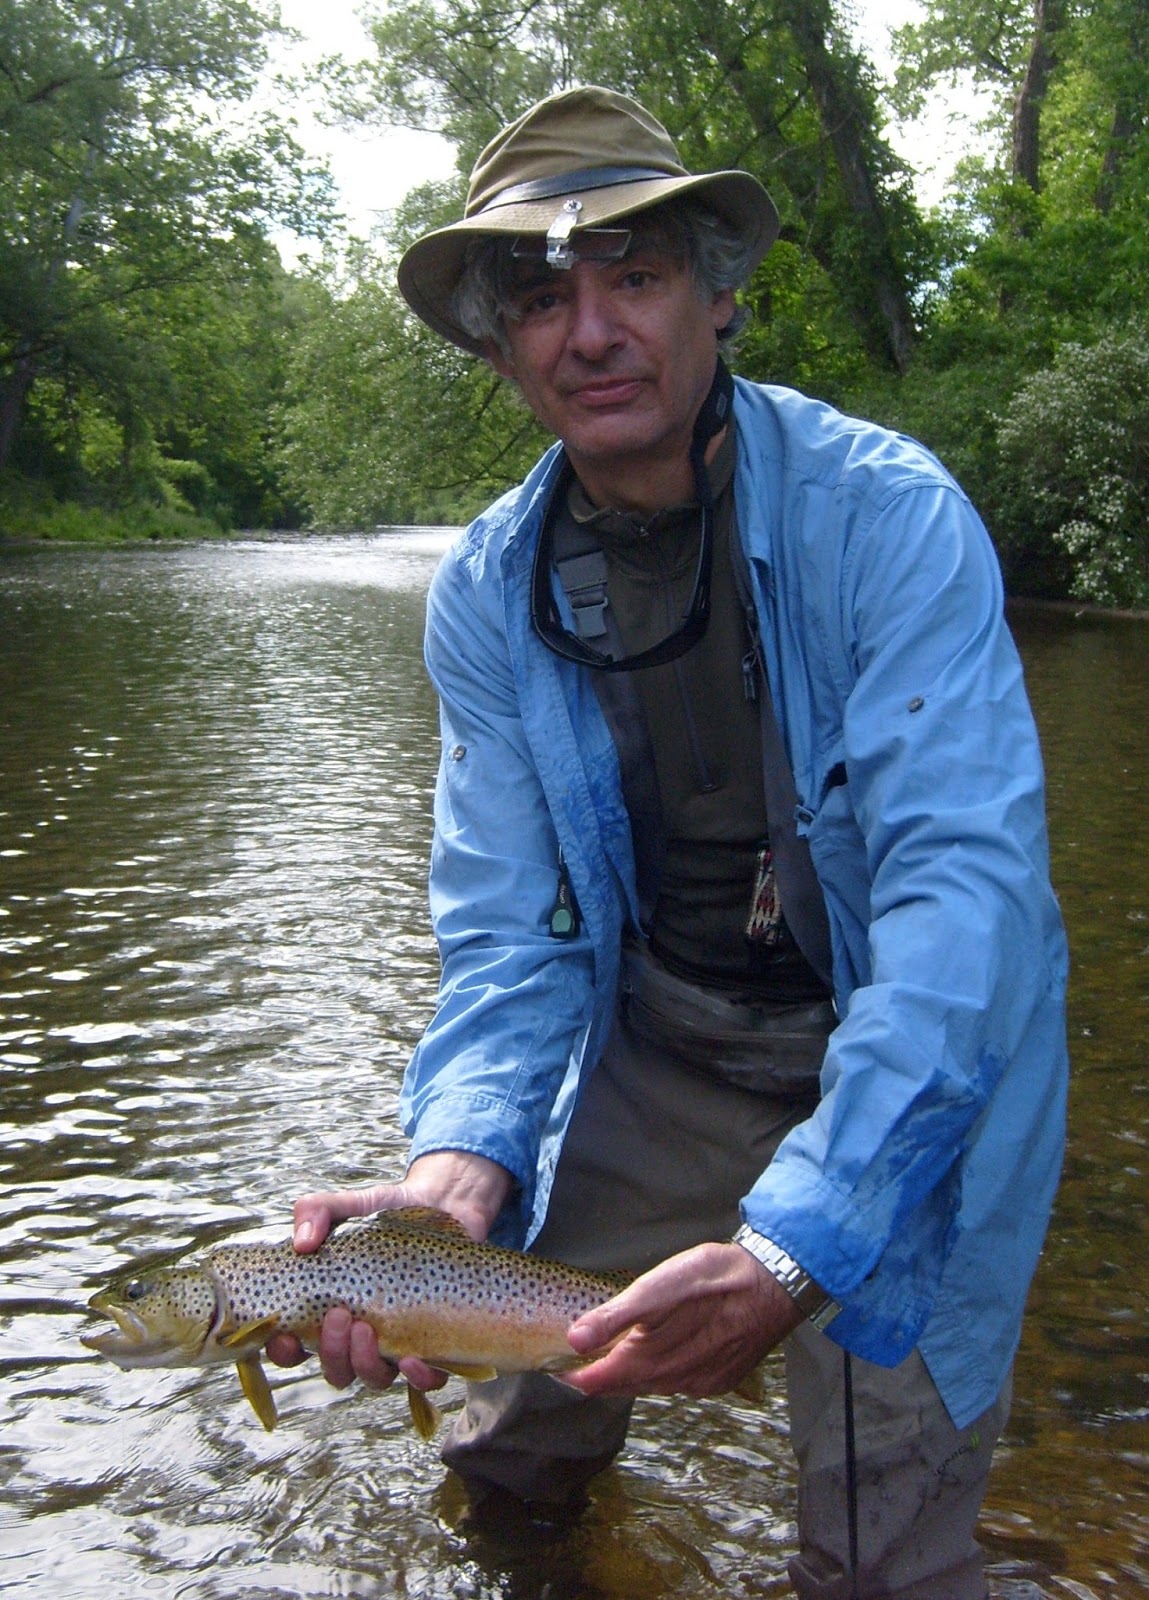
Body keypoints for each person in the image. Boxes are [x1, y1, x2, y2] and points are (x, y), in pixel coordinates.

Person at [268, 86, 1069, 1597]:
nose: (589, 333)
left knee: (878, 1555)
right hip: (668, 1048)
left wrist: (788, 1253)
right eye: (538, 298)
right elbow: (512, 940)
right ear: (496, 346)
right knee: (510, 1458)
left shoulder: (889, 519)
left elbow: (965, 906)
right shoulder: (489, 596)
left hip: (918, 1055)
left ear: (714, 295)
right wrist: (452, 1179)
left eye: (631, 276)